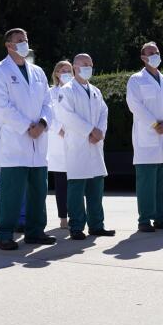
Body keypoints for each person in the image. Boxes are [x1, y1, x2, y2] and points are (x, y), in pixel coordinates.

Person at [0, 28, 56, 250]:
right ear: (8, 45)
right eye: (19, 40)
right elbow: (1, 106)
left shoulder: (38, 72)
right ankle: (5, 234)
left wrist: (43, 123)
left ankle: (35, 231)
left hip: (38, 140)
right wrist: (27, 126)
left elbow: (48, 103)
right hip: (15, 141)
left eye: (26, 39)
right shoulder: (0, 71)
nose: (24, 43)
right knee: (11, 192)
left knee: (38, 190)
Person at [57, 53, 115, 240]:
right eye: (84, 64)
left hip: (95, 145)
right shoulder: (66, 90)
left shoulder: (96, 91)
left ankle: (97, 225)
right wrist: (90, 130)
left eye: (90, 64)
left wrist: (99, 132)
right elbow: (67, 116)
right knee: (76, 189)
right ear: (75, 66)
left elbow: (104, 112)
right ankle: (76, 227)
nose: (88, 67)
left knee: (96, 189)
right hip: (78, 145)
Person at [126, 41, 163, 233]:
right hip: (148, 136)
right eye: (150, 53)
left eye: (156, 52)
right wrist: (156, 124)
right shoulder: (136, 80)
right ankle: (145, 220)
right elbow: (135, 105)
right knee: (147, 182)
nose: (155, 55)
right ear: (143, 58)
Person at [47, 60, 73, 229]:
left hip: (76, 141)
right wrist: (60, 130)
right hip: (58, 142)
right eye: (62, 70)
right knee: (62, 184)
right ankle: (63, 217)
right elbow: (48, 114)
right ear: (56, 73)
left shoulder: (77, 91)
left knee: (76, 183)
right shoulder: (50, 93)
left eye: (69, 70)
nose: (66, 73)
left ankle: (76, 215)